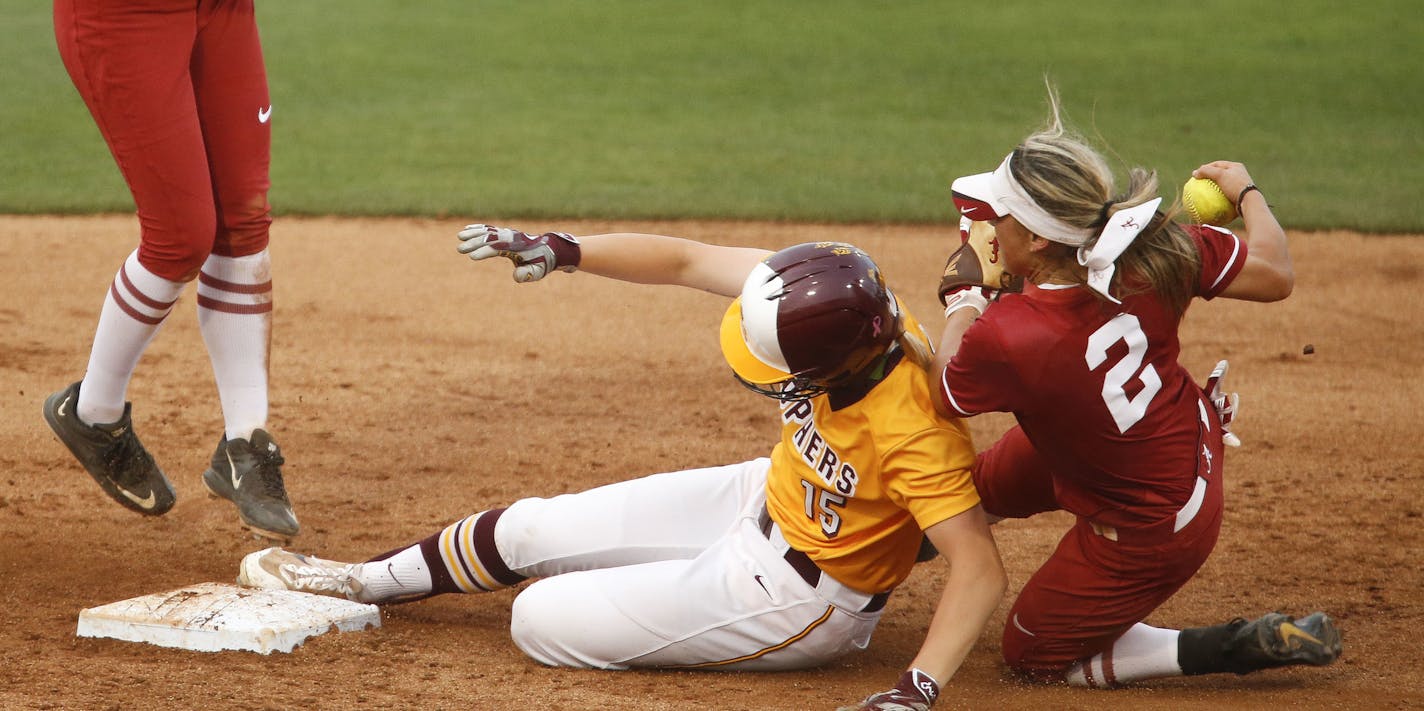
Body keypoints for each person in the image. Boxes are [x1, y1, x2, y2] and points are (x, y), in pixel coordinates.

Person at [238, 228, 1006, 710]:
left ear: (829, 365)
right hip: (761, 494)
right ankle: (361, 579)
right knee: (535, 524)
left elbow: (977, 567)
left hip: (802, 599)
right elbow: (685, 257)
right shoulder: (832, 299)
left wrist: (917, 692)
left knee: (537, 617)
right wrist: (567, 249)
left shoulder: (912, 432)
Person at [931, 90, 1341, 688]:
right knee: (965, 492)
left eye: (1000, 219)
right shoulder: (1160, 249)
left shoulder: (1010, 333)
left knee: (1030, 653)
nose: (988, 229)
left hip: (1152, 520)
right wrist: (1248, 190)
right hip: (1156, 437)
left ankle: (1223, 646)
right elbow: (1277, 273)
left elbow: (945, 390)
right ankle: (873, 562)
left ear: (1042, 240)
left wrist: (964, 299)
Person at [43, 0, 298, 539]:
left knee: (243, 221)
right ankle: (93, 412)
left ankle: (244, 444)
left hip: (221, 9)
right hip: (123, 15)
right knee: (180, 238)